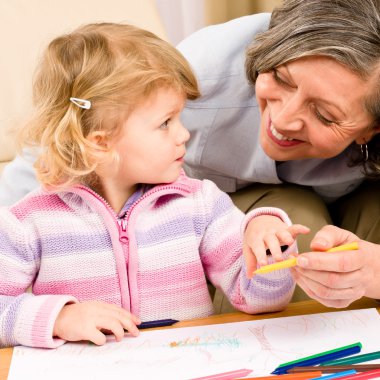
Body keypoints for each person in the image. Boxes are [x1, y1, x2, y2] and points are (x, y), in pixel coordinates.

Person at [0, 23, 308, 349]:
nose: (184, 134)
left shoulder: (199, 204)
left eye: (179, 118)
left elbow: (258, 299)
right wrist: (60, 318)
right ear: (101, 143)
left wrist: (271, 247)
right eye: (165, 123)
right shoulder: (28, 223)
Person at [175, 0, 380, 306]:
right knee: (292, 232)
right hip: (211, 204)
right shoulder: (194, 79)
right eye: (281, 79)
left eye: (324, 114)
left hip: (357, 192)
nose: (282, 120)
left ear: (372, 130)